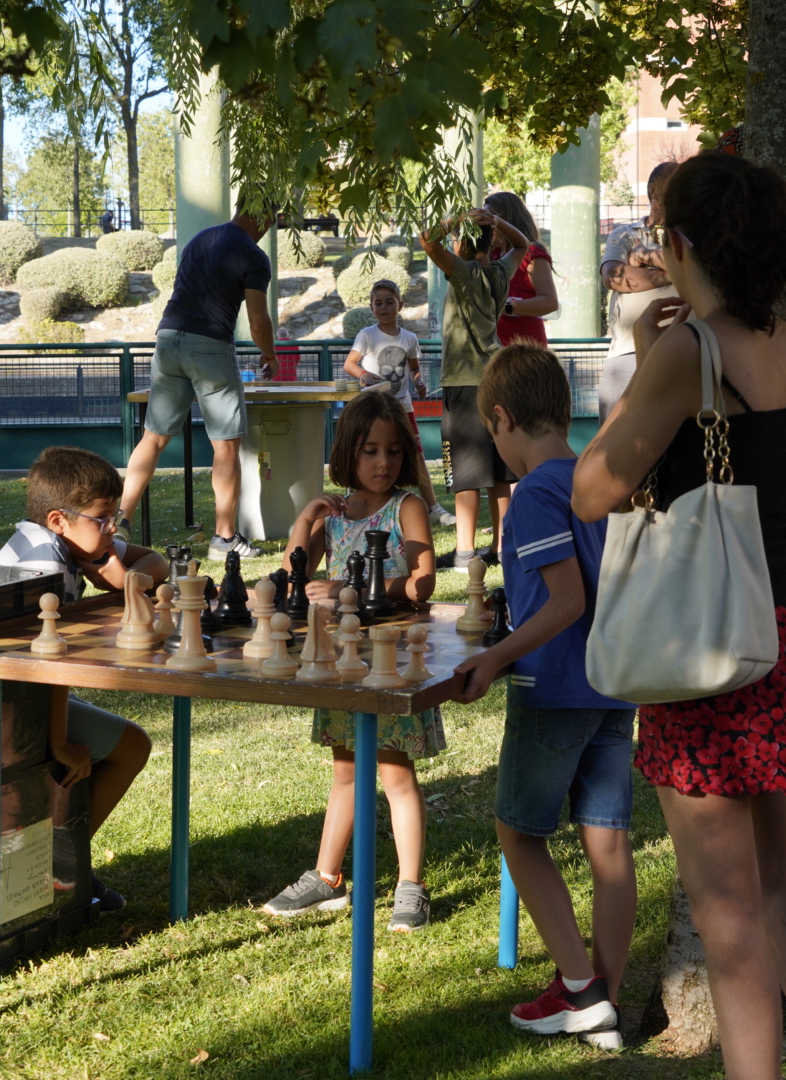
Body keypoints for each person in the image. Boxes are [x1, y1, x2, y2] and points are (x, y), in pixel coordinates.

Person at [572, 152, 786, 1078]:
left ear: (684, 243)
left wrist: (639, 349)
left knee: (726, 910)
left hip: (702, 640)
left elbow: (591, 489)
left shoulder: (688, 351)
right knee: (784, 886)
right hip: (785, 626)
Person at [450, 344, 636, 1035]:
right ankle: (605, 1000)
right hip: (616, 685)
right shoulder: (599, 477)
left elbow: (564, 602)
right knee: (608, 845)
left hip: (553, 686)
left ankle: (581, 989)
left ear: (501, 418)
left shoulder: (532, 497)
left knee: (518, 832)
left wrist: (495, 659)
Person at [261, 391, 440, 931]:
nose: (382, 463)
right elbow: (297, 572)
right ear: (348, 453)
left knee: (394, 772)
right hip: (341, 660)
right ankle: (327, 878)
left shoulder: (405, 506)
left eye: (391, 451)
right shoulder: (335, 512)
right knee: (344, 769)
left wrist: (349, 587)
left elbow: (422, 581)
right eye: (369, 451)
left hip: (388, 660)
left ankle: (412, 886)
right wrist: (308, 514)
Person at [0, 446, 167, 910]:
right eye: (103, 519)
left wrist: (123, 577)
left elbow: (159, 564)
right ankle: (57, 864)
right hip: (10, 699)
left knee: (130, 742)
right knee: (133, 746)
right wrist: (60, 744)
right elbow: (48, 668)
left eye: (115, 517)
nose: (113, 529)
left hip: (20, 689)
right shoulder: (44, 567)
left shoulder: (65, 542)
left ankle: (60, 861)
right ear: (58, 519)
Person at [117, 202, 279, 563]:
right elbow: (258, 323)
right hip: (209, 347)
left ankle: (120, 520)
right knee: (226, 446)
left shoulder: (201, 239)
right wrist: (269, 355)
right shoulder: (253, 256)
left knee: (153, 438)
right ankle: (224, 539)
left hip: (168, 338)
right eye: (272, 217)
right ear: (261, 214)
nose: (270, 225)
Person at [418, 208, 530, 570]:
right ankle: (499, 548)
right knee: (500, 471)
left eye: (456, 241)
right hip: (495, 380)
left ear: (464, 244)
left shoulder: (464, 273)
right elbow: (523, 243)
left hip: (463, 383)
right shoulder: (500, 273)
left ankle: (465, 550)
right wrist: (497, 223)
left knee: (464, 471)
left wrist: (457, 218)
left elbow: (427, 240)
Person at [342, 278, 455, 526]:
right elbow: (349, 363)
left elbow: (414, 369)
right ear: (371, 308)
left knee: (416, 455)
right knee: (364, 451)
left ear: (400, 305)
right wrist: (363, 374)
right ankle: (352, 501)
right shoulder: (367, 335)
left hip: (403, 408)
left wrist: (419, 382)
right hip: (372, 408)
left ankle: (433, 507)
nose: (384, 308)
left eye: (389, 302)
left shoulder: (410, 338)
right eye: (378, 303)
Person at [599, 161, 678, 421]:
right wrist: (673, 272)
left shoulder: (694, 237)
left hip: (681, 354)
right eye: (675, 187)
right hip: (627, 355)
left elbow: (702, 267)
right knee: (611, 446)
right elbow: (615, 277)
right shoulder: (625, 233)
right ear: (653, 192)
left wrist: (646, 256)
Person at [484, 191, 558, 348]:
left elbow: (550, 302)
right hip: (495, 345)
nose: (486, 227)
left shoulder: (532, 253)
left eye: (490, 221)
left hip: (526, 347)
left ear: (505, 221)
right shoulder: (493, 254)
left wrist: (507, 307)